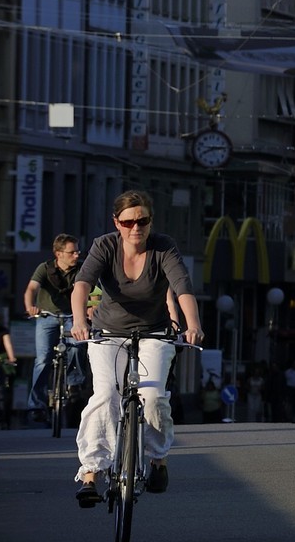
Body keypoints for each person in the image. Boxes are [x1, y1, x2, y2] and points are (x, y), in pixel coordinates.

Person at [69, 190, 204, 506]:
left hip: (154, 333)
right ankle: (92, 472)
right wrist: (79, 321)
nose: (136, 227)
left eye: (142, 220)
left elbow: (183, 288)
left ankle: (157, 459)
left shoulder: (163, 246)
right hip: (107, 333)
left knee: (154, 396)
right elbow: (82, 285)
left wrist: (193, 324)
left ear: (150, 221)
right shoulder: (105, 245)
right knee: (105, 396)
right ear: (117, 222)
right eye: (128, 221)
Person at [24, 234, 83, 422]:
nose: (76, 255)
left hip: (72, 316)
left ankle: (74, 384)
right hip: (46, 317)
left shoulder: (81, 270)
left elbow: (94, 291)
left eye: (77, 251)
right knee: (42, 359)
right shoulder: (45, 268)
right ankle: (37, 405)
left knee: (78, 344)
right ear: (59, 253)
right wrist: (30, 307)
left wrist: (91, 308)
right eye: (72, 252)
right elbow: (31, 289)